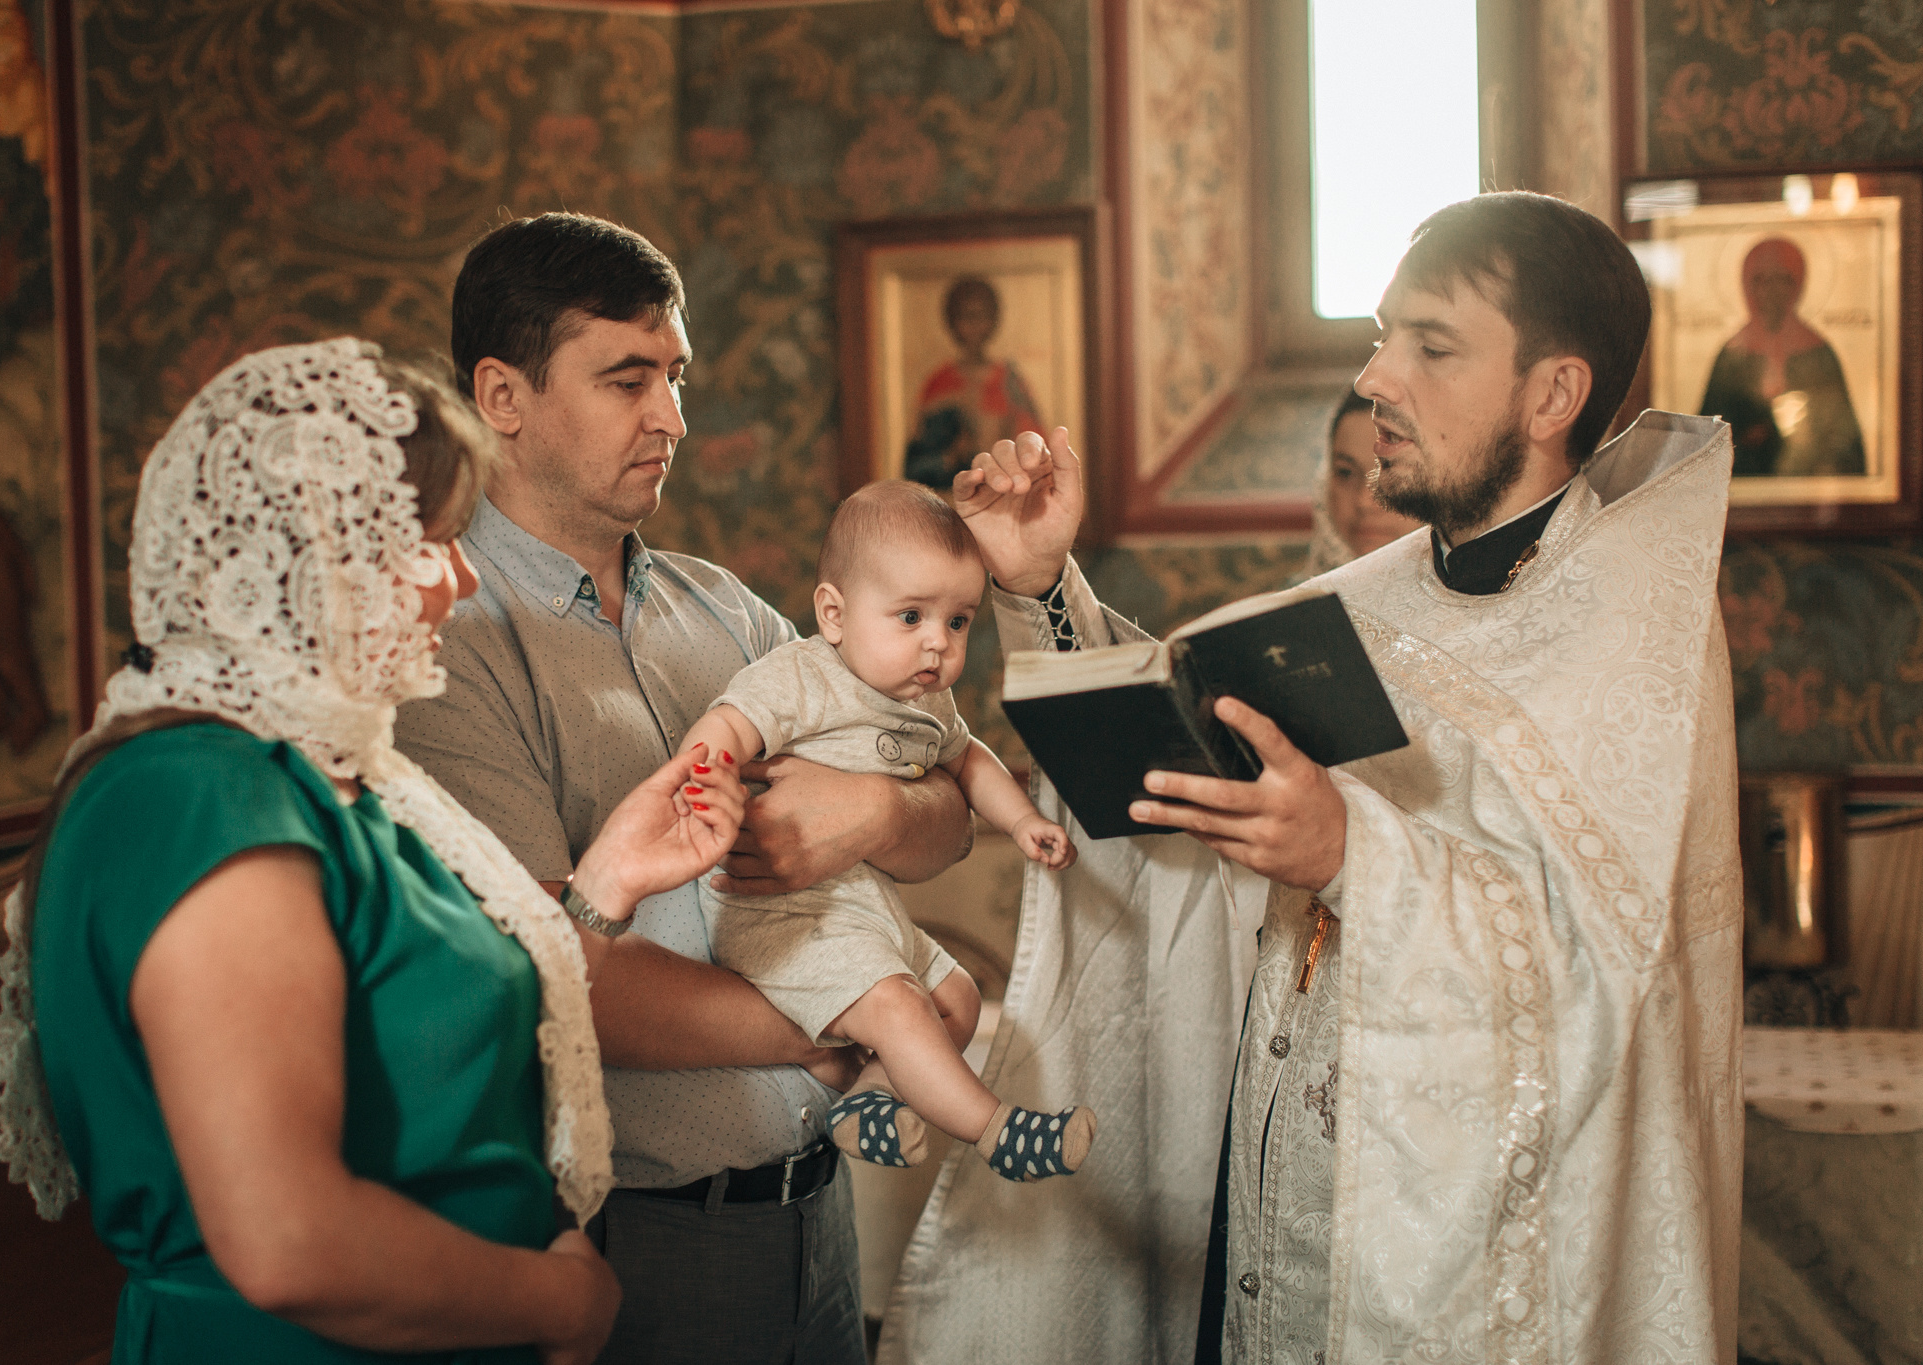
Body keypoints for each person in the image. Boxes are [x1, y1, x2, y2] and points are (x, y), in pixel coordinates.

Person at [882, 192, 1742, 1365]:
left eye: (1429, 345)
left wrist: (1349, 855)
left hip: (1468, 1264)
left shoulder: (1634, 634)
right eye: (1379, 336)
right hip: (1273, 1214)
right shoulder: (1366, 600)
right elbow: (1176, 769)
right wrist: (1038, 587)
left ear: (1551, 394)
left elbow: (1611, 980)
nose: (1377, 377)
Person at [0, 339, 750, 1365]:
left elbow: (420, 1020)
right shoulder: (197, 794)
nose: (461, 579)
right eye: (424, 543)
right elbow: (290, 1243)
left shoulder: (342, 780)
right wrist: (560, 1303)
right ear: (300, 558)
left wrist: (604, 882)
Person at [395, 212, 975, 1365]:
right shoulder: (444, 646)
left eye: (674, 375)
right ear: (502, 396)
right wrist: (839, 1029)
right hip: (645, 1236)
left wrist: (881, 810)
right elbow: (560, 974)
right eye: (626, 380)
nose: (672, 418)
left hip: (819, 1213)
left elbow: (945, 802)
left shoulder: (724, 610)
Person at [682, 479, 1093, 1181]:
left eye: (958, 621)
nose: (937, 643)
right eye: (910, 616)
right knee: (901, 1005)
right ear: (834, 614)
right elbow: (728, 723)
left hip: (862, 913)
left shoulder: (927, 697)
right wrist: (705, 778)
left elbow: (968, 761)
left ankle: (867, 1102)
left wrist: (1023, 819)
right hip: (787, 915)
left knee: (957, 997)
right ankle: (1000, 1134)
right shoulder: (804, 675)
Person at [1698, 235, 1865, 477]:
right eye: (1761, 280)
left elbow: (1844, 440)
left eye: (1783, 280)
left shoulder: (1820, 354)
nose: (1772, 292)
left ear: (1798, 284)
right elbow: (1705, 442)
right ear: (1747, 285)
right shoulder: (1731, 357)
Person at [903, 276, 1045, 488]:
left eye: (982, 316)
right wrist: (951, 455)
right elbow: (917, 463)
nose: (975, 326)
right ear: (952, 321)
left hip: (1006, 490)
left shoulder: (1010, 381)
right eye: (966, 317)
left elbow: (1036, 445)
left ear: (994, 319)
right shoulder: (940, 382)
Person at [1302, 386, 1424, 578]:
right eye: (1345, 473)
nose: (1363, 502)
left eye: (1392, 471)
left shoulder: (1480, 606)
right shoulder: (1287, 605)